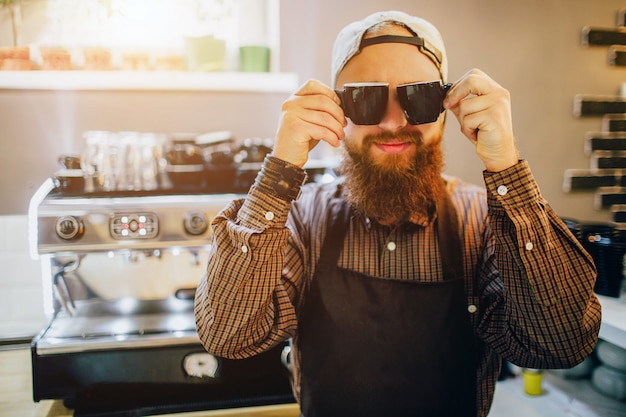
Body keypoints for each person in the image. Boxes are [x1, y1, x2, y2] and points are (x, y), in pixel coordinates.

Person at [194, 10, 601, 417]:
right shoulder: (304, 219)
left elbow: (561, 342)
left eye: (418, 97)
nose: (394, 122)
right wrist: (279, 170)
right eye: (366, 99)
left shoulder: (482, 222)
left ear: (446, 107)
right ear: (337, 111)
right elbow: (229, 334)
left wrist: (506, 167)